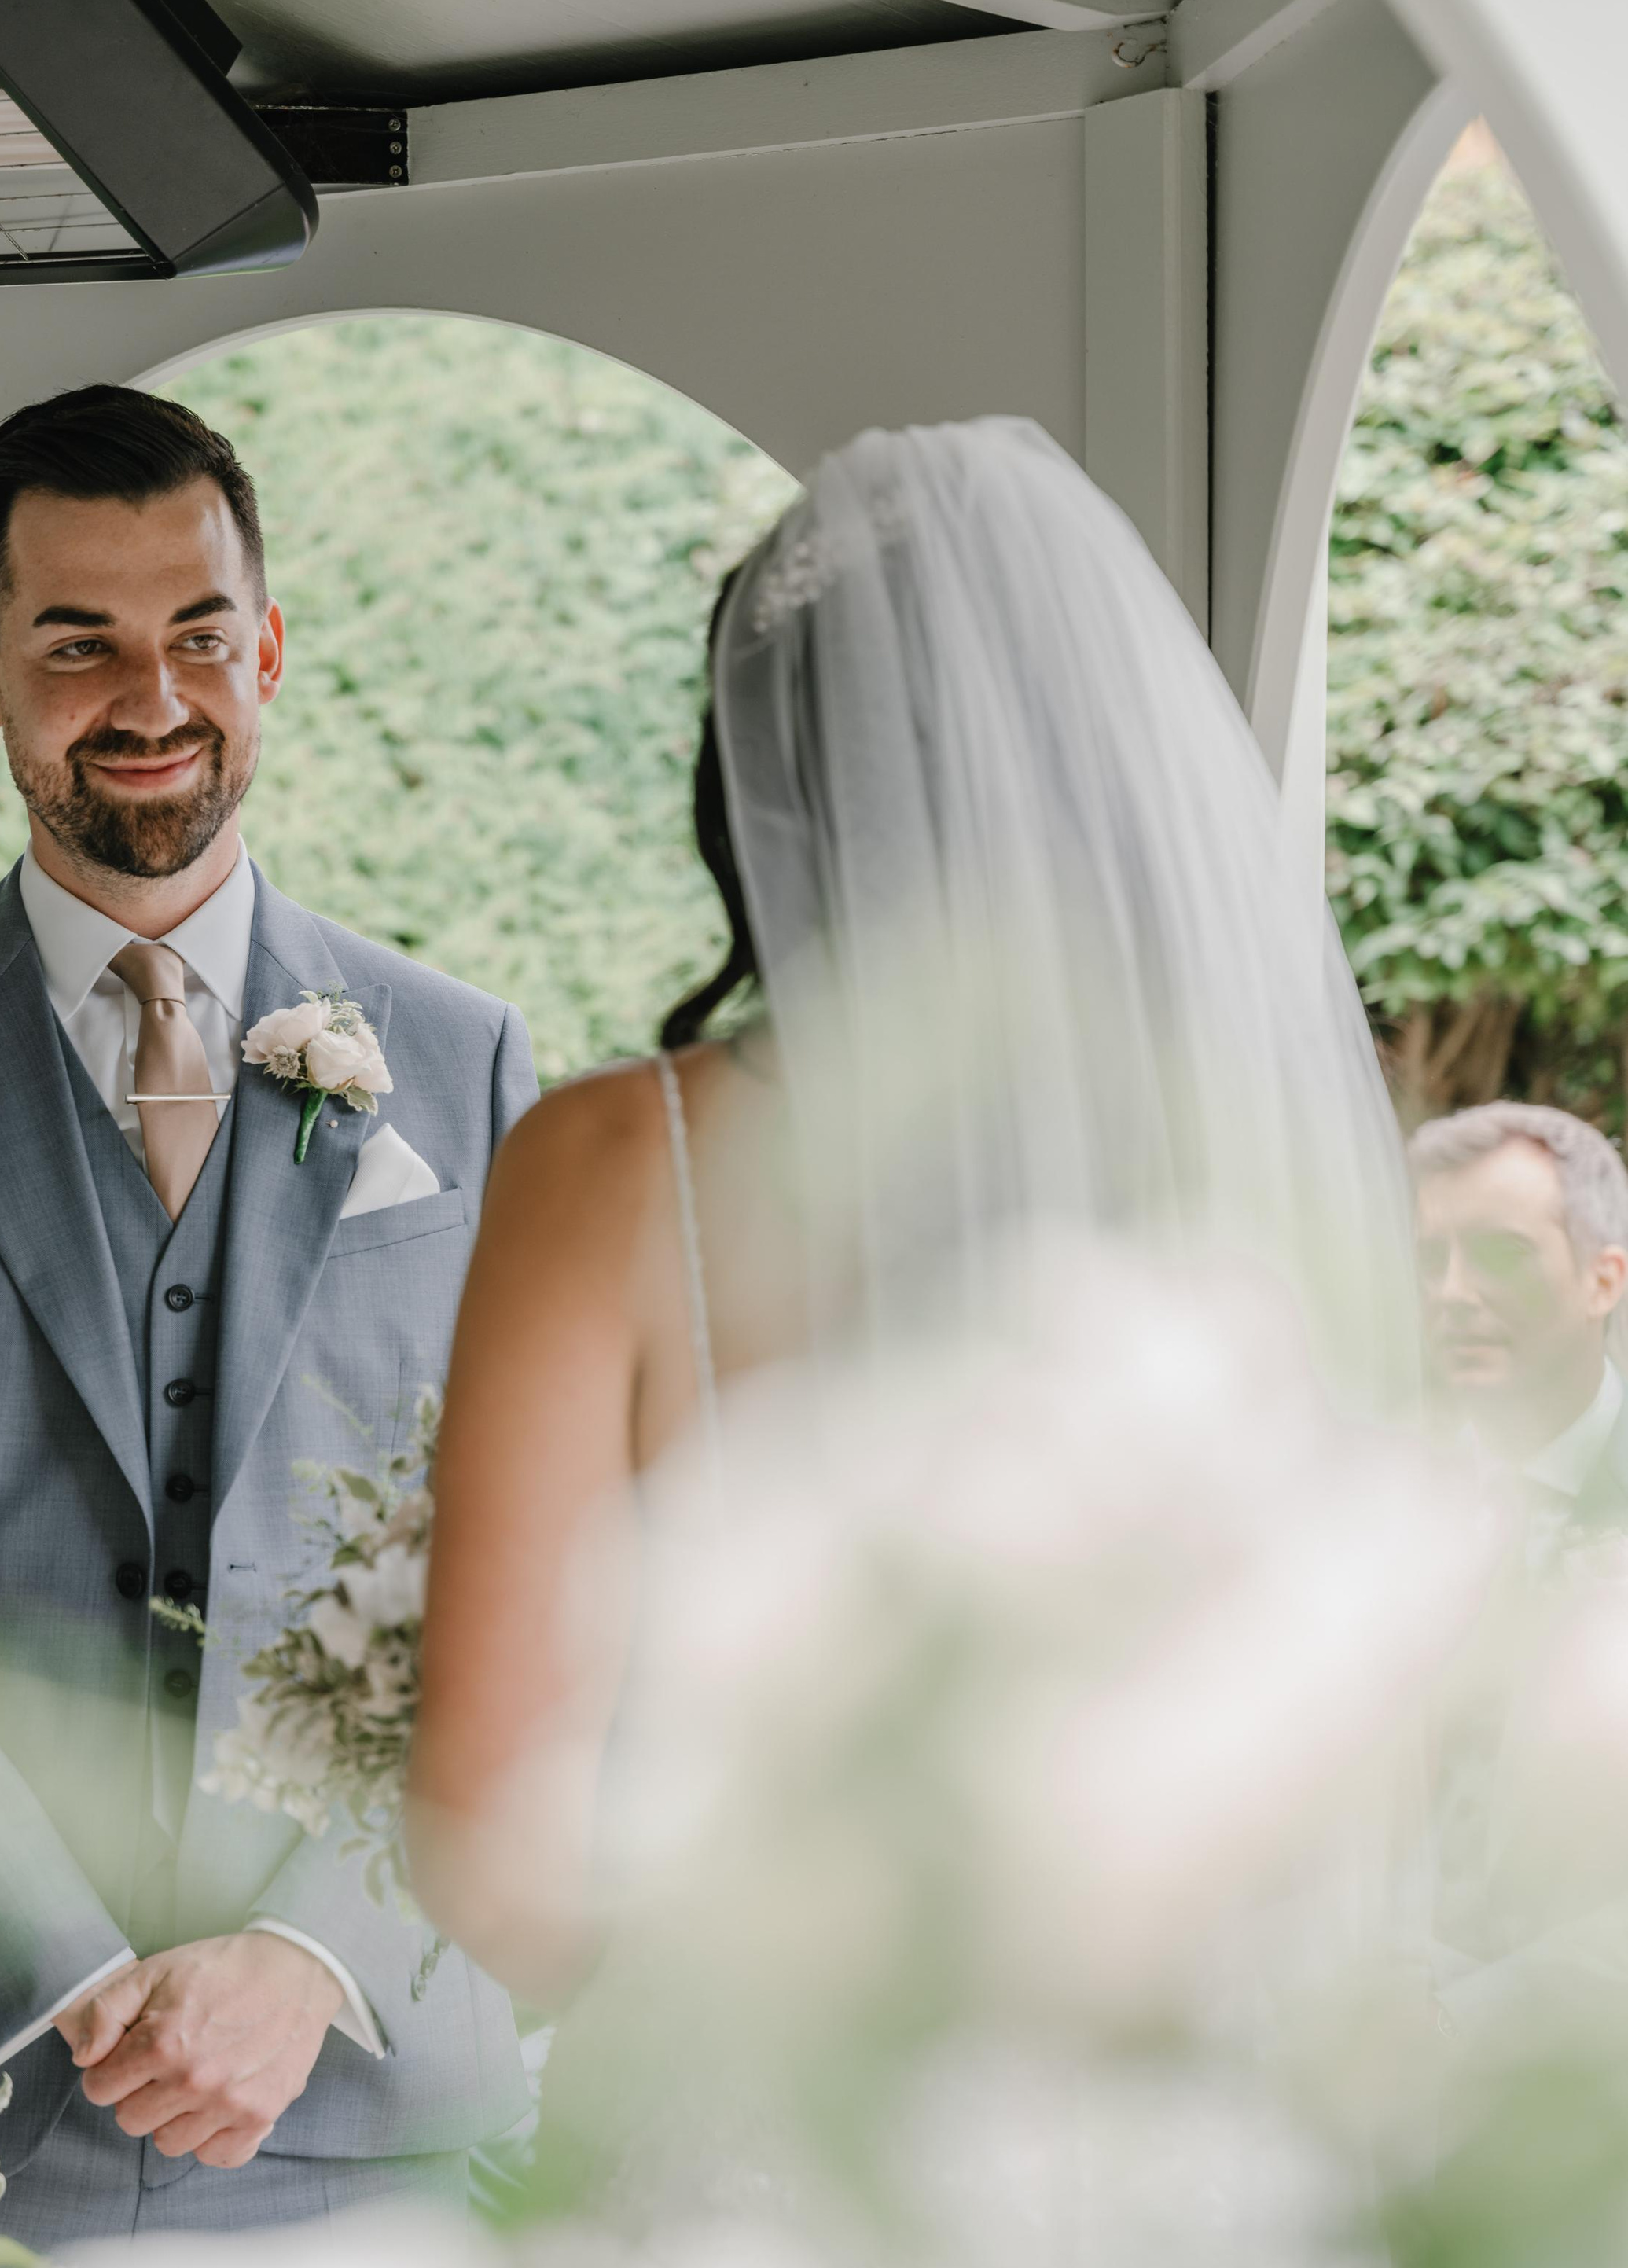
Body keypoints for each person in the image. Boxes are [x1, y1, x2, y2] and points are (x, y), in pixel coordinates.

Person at [405, 417, 1414, 2000]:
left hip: (765, 2127)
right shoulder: (1253, 1159)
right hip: (1187, 2110)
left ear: (761, 782)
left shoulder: (616, 1168)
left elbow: (486, 1827)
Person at [0, 383, 538, 2244]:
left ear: (270, 651)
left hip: (366, 2096)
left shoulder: (465, 1063)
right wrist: (58, 1963)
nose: (150, 698)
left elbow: (542, 1573)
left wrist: (313, 1949)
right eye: (78, 646)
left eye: (198, 637)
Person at [1410, 1101, 1628, 1554]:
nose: (1451, 1292)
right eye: (1432, 1260)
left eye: (1501, 1255)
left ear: (1603, 1283)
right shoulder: (1386, 1498)